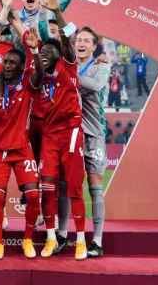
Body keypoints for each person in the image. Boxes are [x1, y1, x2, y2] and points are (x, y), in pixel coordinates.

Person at [0, 29, 43, 260]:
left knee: (33, 196)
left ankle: (27, 239)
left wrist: (34, 50)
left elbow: (39, 74)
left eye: (13, 62)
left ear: (21, 66)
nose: (8, 65)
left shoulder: (27, 85)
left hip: (22, 149)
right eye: (6, 61)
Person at [37, 0, 88, 261]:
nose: (45, 53)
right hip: (48, 135)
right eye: (42, 51)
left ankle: (80, 240)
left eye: (49, 50)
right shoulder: (39, 77)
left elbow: (66, 39)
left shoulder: (67, 66)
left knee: (74, 188)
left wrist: (56, 11)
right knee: (48, 187)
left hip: (70, 133)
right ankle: (50, 237)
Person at [56, 27, 110, 258]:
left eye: (87, 41)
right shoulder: (68, 65)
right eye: (79, 40)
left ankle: (96, 239)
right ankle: (61, 233)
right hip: (70, 133)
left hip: (93, 134)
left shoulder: (102, 66)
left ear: (94, 46)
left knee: (95, 185)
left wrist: (69, 73)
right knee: (66, 184)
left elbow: (95, 86)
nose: (82, 44)